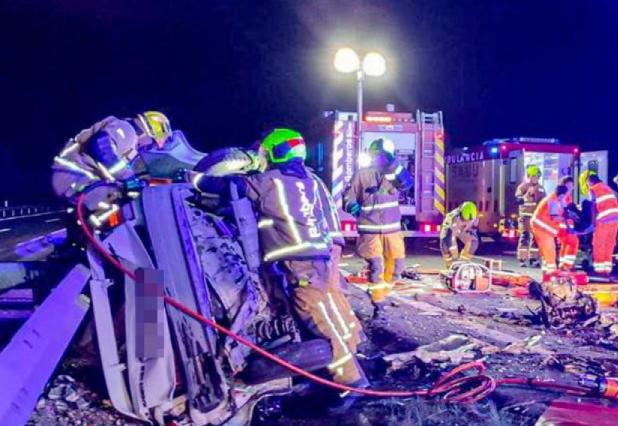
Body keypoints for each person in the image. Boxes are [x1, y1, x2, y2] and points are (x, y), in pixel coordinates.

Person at [192, 128, 366, 387]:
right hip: (323, 258)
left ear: (276, 151)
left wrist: (190, 177)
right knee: (337, 313)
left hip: (299, 265)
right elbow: (332, 221)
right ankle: (355, 357)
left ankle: (350, 384)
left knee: (319, 320)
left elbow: (218, 185)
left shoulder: (267, 181)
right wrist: (334, 258)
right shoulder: (314, 181)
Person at [343, 138, 414, 310]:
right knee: (376, 266)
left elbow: (407, 184)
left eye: (381, 154)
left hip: (392, 229)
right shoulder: (362, 174)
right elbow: (348, 196)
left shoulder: (395, 174)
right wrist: (353, 207)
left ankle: (381, 293)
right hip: (369, 228)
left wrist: (391, 165)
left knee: (397, 267)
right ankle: (378, 305)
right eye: (375, 153)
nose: (377, 156)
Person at [51, 113, 158, 214]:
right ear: (149, 133)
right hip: (73, 175)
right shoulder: (127, 130)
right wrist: (127, 177)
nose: (147, 148)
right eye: (151, 143)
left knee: (103, 217)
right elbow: (101, 145)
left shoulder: (126, 136)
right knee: (125, 201)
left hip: (74, 177)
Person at [530, 184, 579, 276]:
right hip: (542, 227)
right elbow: (555, 217)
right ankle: (551, 271)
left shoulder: (554, 199)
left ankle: (547, 270)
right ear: (561, 195)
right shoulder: (553, 201)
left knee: (546, 249)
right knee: (549, 248)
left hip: (541, 226)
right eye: (565, 195)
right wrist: (567, 218)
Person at [586, 174, 618, 276]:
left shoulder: (593, 189)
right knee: (609, 243)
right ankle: (607, 269)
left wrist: (593, 222)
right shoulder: (607, 188)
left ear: (590, 182)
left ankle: (599, 270)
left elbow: (592, 206)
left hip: (604, 219)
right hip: (616, 218)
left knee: (599, 244)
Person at [515, 165, 545, 265]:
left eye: (537, 176)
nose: (535, 178)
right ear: (529, 176)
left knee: (536, 238)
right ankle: (522, 259)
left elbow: (543, 202)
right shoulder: (523, 187)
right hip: (525, 216)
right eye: (533, 176)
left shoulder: (541, 189)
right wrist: (527, 194)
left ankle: (534, 258)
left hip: (536, 218)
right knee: (525, 237)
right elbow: (518, 200)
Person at [440, 201, 480, 267]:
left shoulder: (475, 218)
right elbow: (452, 237)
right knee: (446, 241)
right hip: (451, 229)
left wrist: (468, 244)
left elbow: (472, 233)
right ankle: (450, 266)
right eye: (464, 220)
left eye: (468, 221)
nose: (466, 222)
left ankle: (464, 264)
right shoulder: (453, 218)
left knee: (474, 243)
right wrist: (454, 254)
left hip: (465, 230)